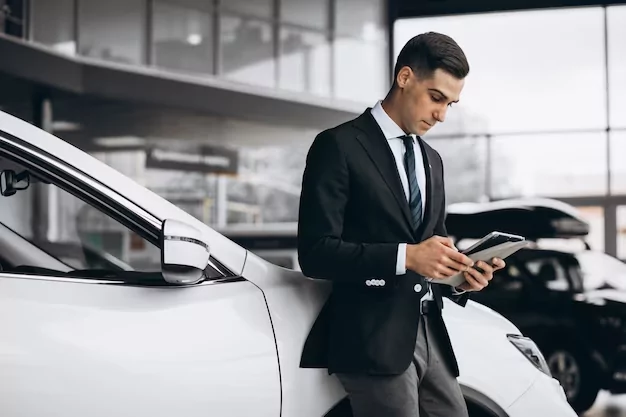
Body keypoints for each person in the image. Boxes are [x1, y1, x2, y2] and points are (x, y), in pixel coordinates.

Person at [297, 32, 506, 417]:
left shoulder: (433, 160)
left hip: (430, 331)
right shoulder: (338, 146)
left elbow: (433, 249)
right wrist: (406, 257)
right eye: (436, 98)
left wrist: (463, 274)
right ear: (405, 77)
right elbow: (315, 253)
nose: (442, 114)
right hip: (370, 336)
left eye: (451, 104)